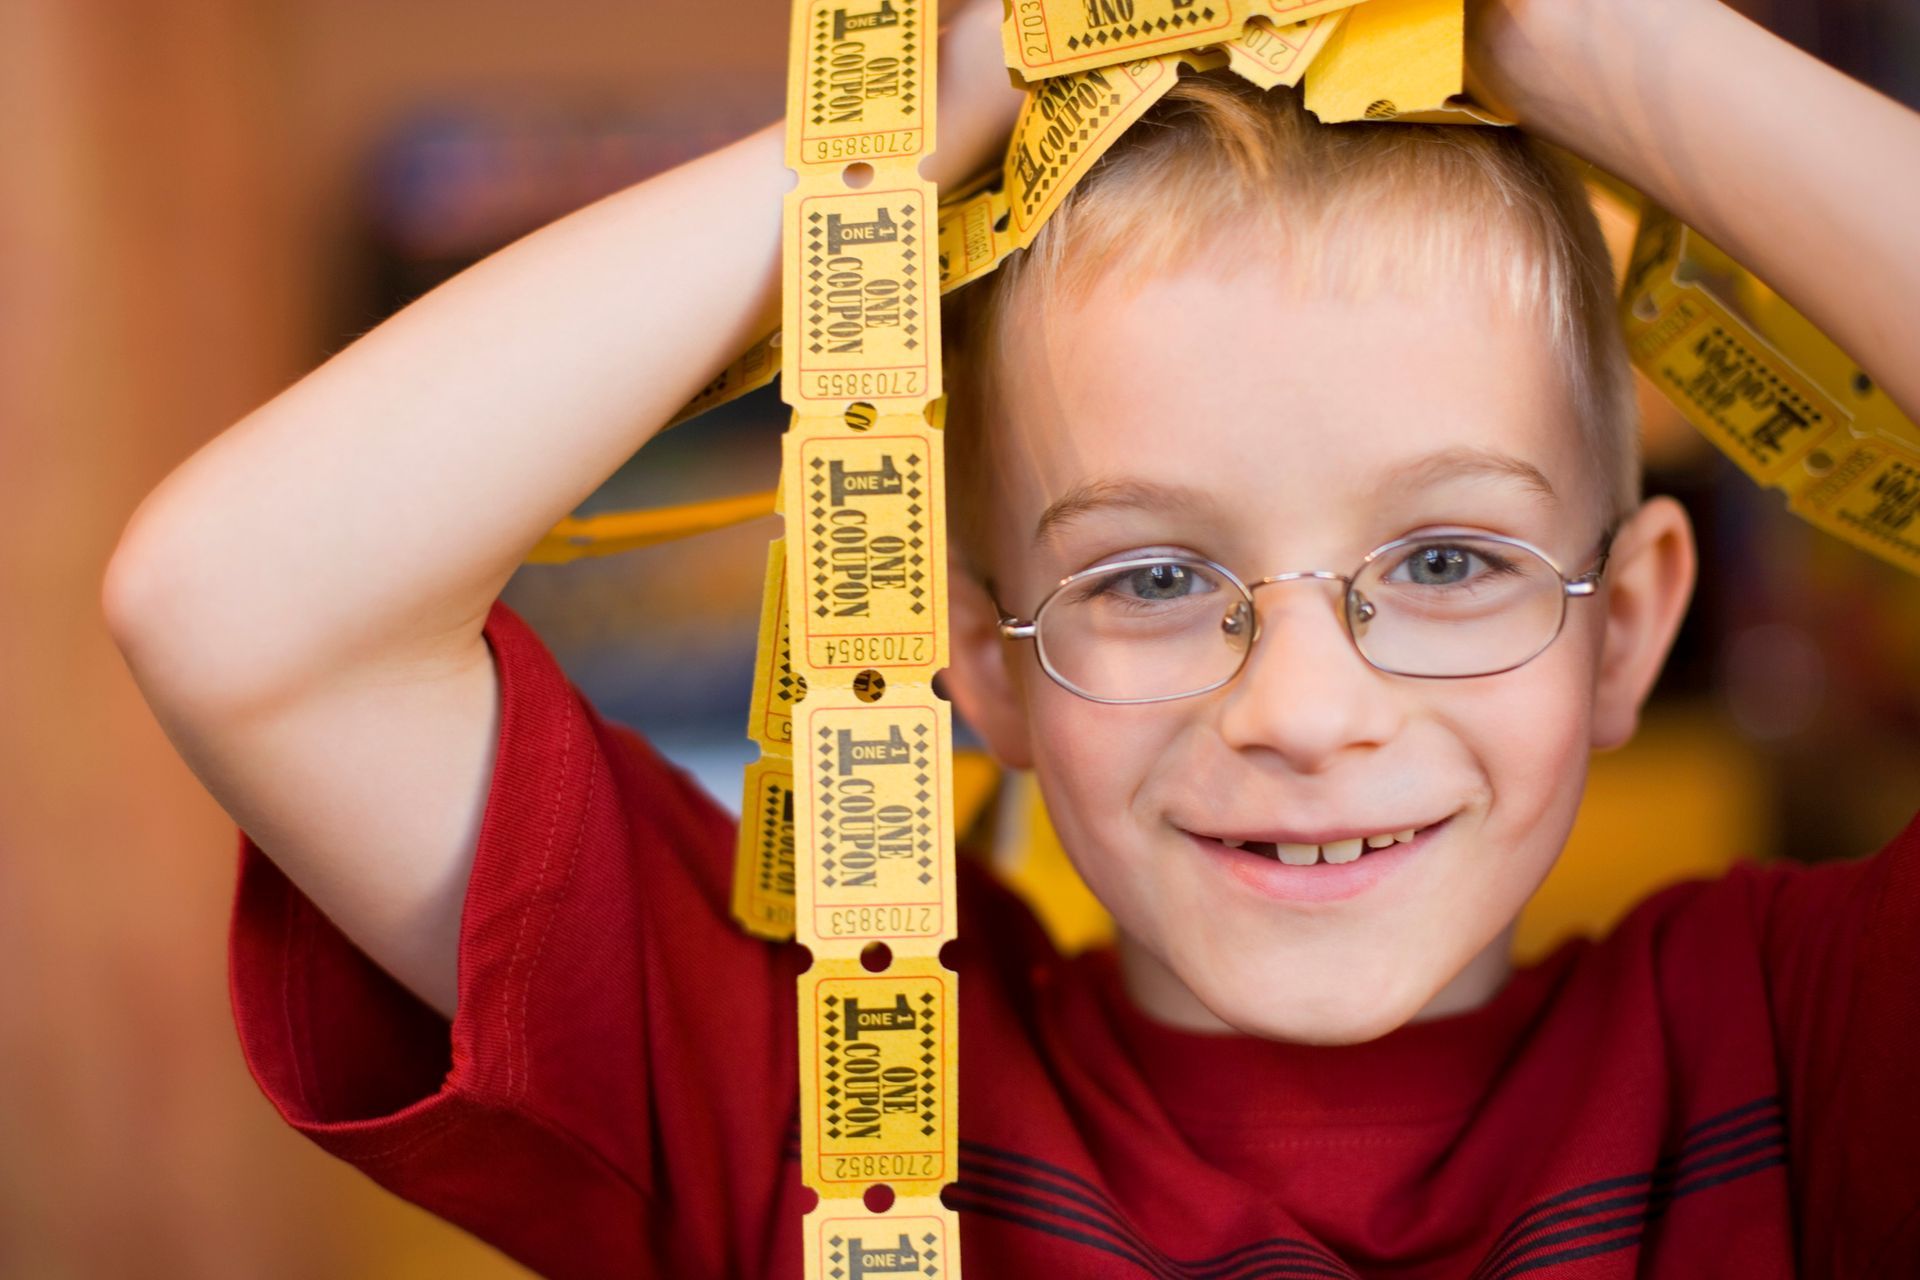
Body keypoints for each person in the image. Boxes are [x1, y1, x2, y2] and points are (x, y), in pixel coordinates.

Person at [102, 0, 1920, 1275]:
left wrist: (1602, 33)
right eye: (1145, 579)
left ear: (1631, 630)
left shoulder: (1802, 1046)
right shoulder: (820, 1086)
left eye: (1448, 562)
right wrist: (906, 130)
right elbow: (236, 605)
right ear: (969, 659)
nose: (1302, 709)